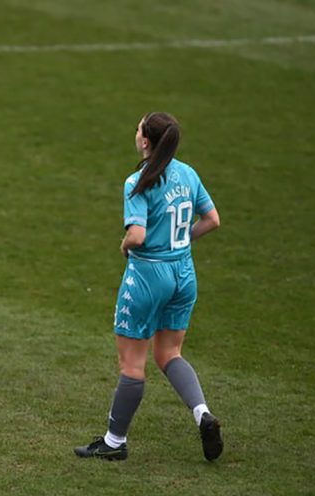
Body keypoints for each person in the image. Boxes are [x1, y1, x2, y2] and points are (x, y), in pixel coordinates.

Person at [75, 112, 223, 461]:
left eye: (139, 127)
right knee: (169, 353)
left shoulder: (138, 181)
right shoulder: (188, 173)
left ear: (145, 141)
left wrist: (125, 245)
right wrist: (181, 242)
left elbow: (138, 235)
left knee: (132, 364)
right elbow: (212, 220)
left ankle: (114, 443)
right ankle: (202, 413)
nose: (136, 130)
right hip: (183, 273)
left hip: (147, 276)